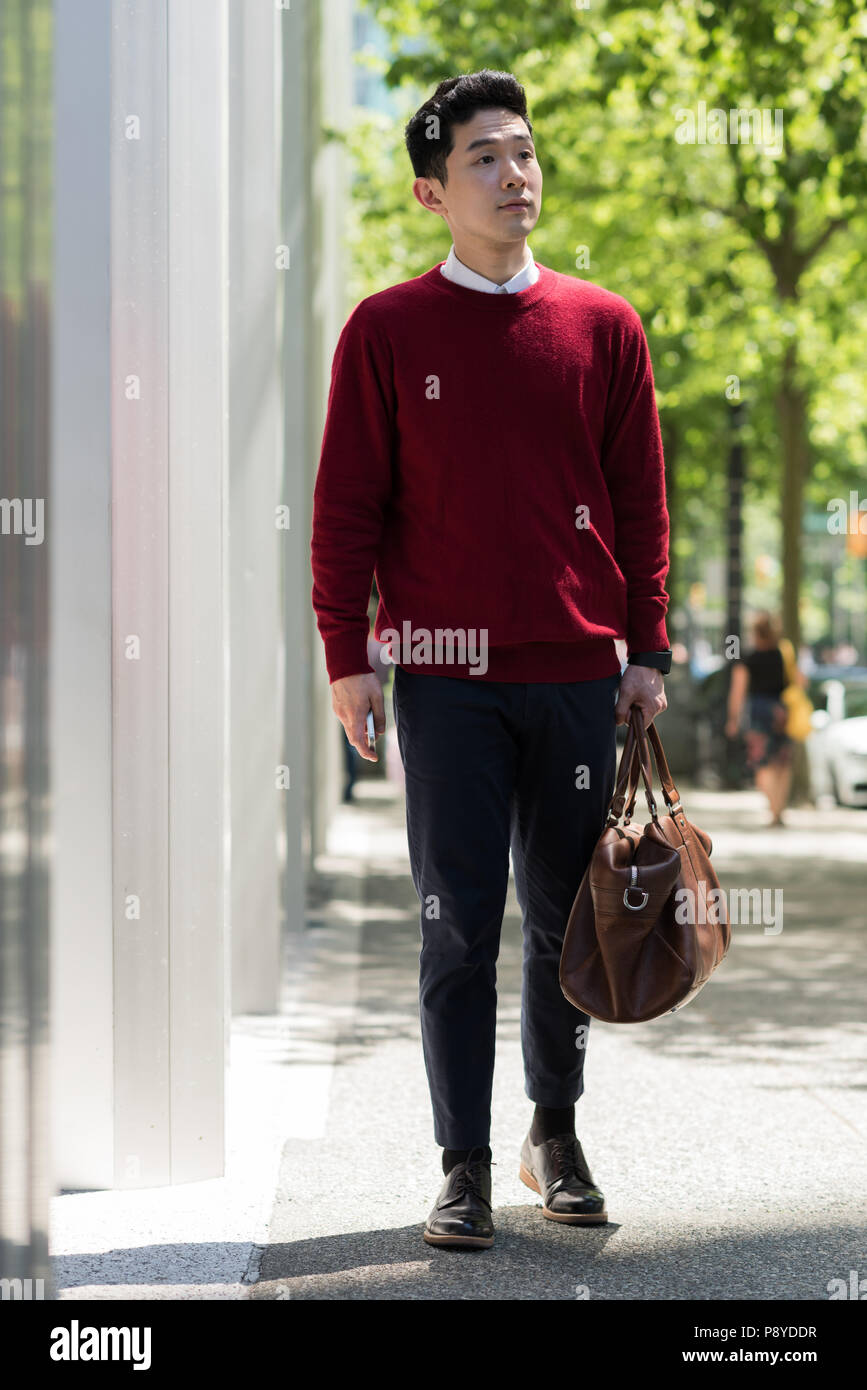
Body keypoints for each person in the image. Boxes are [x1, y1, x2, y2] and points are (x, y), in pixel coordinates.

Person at [310, 70, 671, 1250]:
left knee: (565, 917)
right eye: (484, 159)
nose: (515, 174)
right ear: (431, 190)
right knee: (456, 920)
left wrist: (648, 645)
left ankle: (553, 1133)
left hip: (573, 672)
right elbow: (347, 509)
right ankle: (460, 1163)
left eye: (523, 153)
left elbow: (639, 504)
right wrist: (346, 655)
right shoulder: (384, 331)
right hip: (447, 678)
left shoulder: (604, 325)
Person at [725, 611, 804, 826]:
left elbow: (737, 692)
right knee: (782, 761)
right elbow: (801, 680)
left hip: (759, 712)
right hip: (783, 710)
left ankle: (773, 808)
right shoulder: (784, 653)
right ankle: (779, 811)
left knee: (762, 763)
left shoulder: (748, 658)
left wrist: (733, 719)